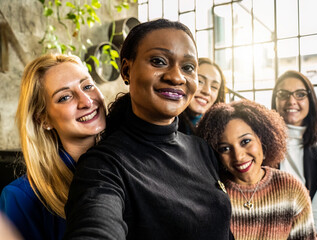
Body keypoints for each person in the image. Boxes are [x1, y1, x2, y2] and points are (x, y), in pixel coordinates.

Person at [63, 19, 233, 240]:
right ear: (126, 69)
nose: (176, 77)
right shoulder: (103, 165)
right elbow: (96, 226)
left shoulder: (203, 150)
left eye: (188, 67)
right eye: (158, 61)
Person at [0, 54, 106, 240]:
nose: (86, 101)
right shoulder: (21, 197)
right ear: (43, 119)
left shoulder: (132, 161)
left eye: (87, 86)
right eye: (65, 97)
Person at [197, 99, 316, 240]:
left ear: (263, 138)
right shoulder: (210, 194)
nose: (239, 156)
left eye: (245, 141)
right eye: (225, 148)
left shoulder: (291, 188)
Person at [271, 70, 317, 239]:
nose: (291, 101)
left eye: (300, 94)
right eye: (283, 94)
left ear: (310, 101)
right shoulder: (259, 145)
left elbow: (314, 210)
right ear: (275, 100)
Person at [178, 57, 226, 134]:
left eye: (214, 87)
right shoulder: (165, 123)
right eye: (200, 81)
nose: (207, 91)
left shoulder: (221, 130)